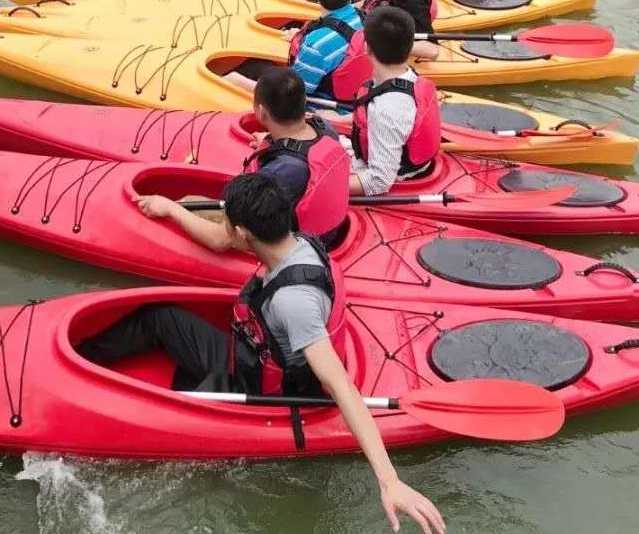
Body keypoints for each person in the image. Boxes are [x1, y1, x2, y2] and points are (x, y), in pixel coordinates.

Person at [76, 173, 445, 534]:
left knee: (168, 413)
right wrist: (173, 209)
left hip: (259, 391)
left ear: (244, 234)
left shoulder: (293, 302)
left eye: (228, 222)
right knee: (159, 317)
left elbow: (340, 386)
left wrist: (389, 480)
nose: (225, 229)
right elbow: (226, 243)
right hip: (248, 353)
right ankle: (82, 356)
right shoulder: (297, 240)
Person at [174, 67, 350, 249]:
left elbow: (221, 241)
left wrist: (168, 208)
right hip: (324, 234)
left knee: (187, 202)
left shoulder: (278, 173)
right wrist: (273, 143)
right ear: (303, 102)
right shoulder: (324, 129)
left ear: (261, 111)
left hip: (291, 243)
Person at [348, 7, 441, 197]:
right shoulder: (408, 77)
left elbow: (379, 181)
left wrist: (315, 187)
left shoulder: (386, 109)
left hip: (399, 177)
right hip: (407, 160)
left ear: (367, 48)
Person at [285, 0, 367, 99]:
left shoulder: (315, 46)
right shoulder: (363, 18)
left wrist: (238, 80)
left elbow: (295, 93)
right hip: (358, 95)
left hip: (322, 105)